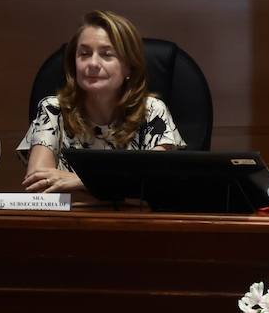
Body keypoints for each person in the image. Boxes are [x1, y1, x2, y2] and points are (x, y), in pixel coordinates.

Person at [18, 10, 185, 193]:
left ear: (129, 66)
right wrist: (119, 186)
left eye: (106, 54)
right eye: (84, 54)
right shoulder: (53, 110)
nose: (93, 63)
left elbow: (155, 184)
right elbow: (37, 184)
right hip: (68, 220)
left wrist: (80, 181)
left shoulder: (152, 111)